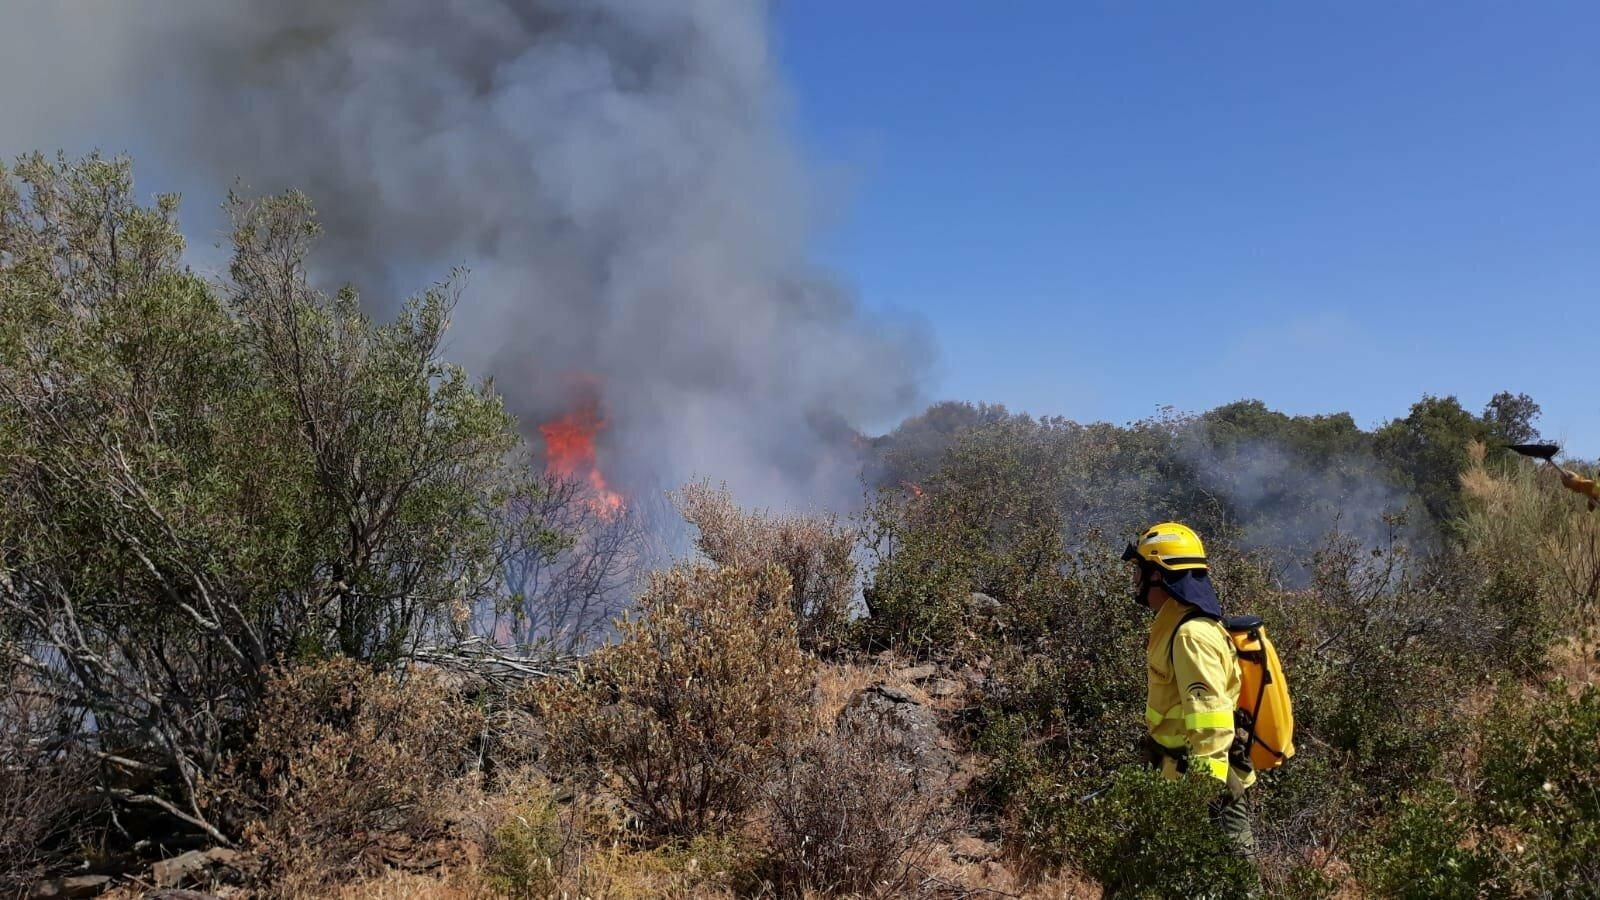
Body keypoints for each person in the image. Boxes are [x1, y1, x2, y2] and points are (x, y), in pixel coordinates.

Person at [1122, 522, 1257, 862]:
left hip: (1206, 791)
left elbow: (1212, 726)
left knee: (1231, 887)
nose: (1135, 580)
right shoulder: (1176, 626)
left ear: (1159, 575)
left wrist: (1197, 800)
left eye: (1140, 570)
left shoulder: (1191, 637)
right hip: (1176, 777)